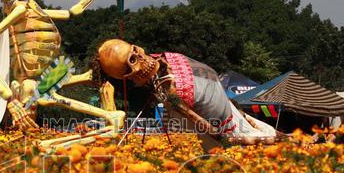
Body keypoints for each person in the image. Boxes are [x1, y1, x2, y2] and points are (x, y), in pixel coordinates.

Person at [93, 39, 279, 148]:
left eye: (136, 52)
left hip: (216, 119)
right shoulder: (165, 60)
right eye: (132, 61)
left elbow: (205, 126)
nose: (141, 59)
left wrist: (222, 138)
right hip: (218, 104)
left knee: (257, 137)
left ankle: (284, 139)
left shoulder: (169, 89)